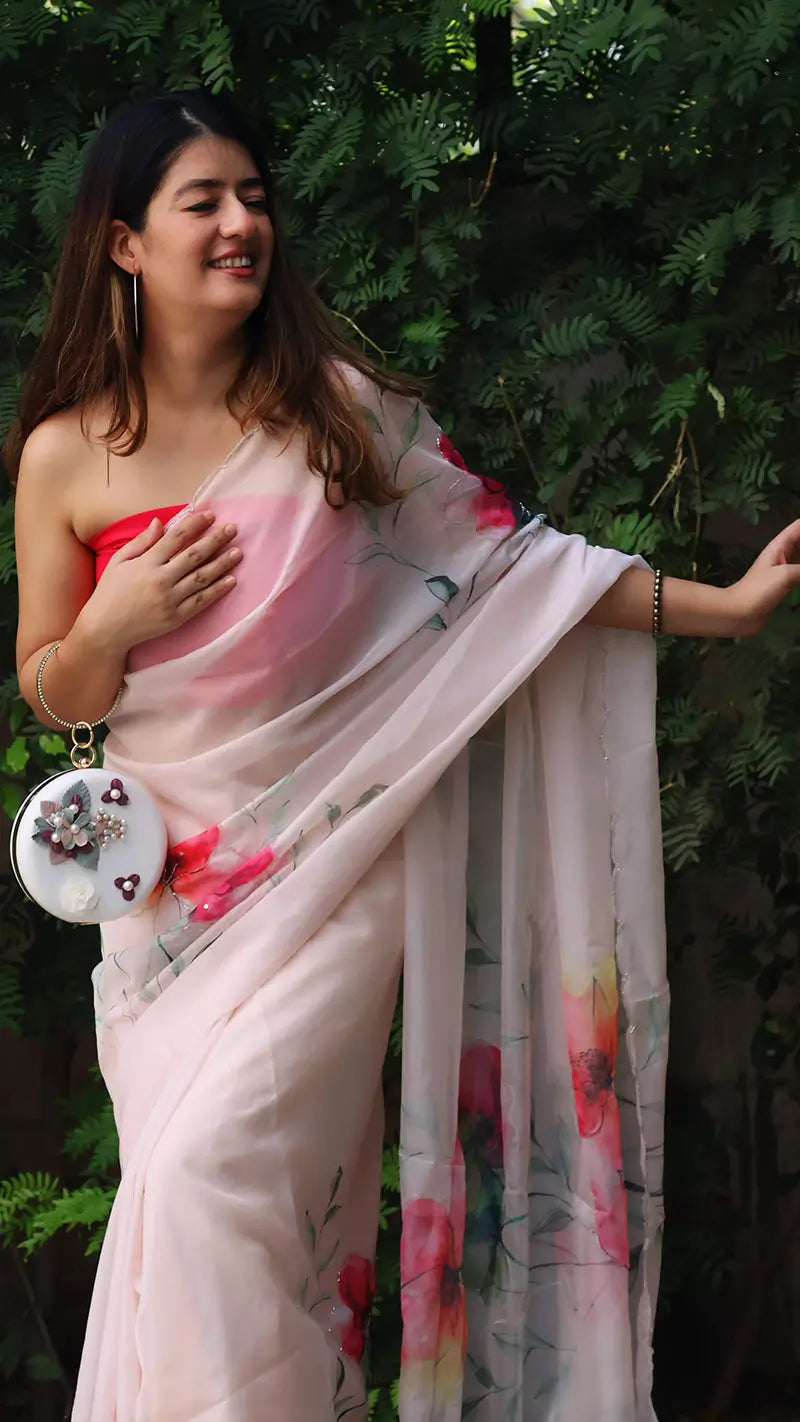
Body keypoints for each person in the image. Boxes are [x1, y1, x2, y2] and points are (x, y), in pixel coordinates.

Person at [7, 88, 800, 1422]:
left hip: (332, 870)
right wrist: (117, 618)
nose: (243, 220)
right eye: (202, 200)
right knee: (217, 1214)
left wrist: (721, 605)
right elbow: (52, 688)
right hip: (167, 902)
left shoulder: (337, 415)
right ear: (124, 243)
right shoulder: (66, 455)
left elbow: (510, 573)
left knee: (211, 1185)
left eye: (255, 194)